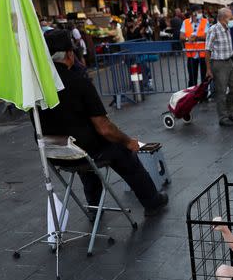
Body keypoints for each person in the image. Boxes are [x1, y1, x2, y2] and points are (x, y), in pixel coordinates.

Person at [40, 30, 168, 216]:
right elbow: (104, 127)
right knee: (121, 151)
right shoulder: (78, 81)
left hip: (55, 153)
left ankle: (94, 207)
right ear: (69, 54)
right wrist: (127, 141)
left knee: (84, 151)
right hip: (82, 152)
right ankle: (152, 201)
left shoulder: (38, 87)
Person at [205, 8, 233, 127]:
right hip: (218, 63)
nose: (232, 20)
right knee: (221, 91)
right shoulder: (213, 30)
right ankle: (223, 117)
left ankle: (230, 112)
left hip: (229, 61)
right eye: (230, 18)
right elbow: (207, 50)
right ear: (222, 18)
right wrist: (208, 69)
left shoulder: (227, 28)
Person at [181, 6, 208, 87]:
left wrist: (197, 38)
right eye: (199, 12)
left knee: (204, 77)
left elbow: (207, 36)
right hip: (191, 54)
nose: (201, 14)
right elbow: (181, 36)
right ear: (193, 13)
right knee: (192, 78)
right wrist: (187, 38)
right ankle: (192, 95)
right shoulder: (185, 22)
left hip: (203, 54)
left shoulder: (205, 21)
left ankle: (204, 94)